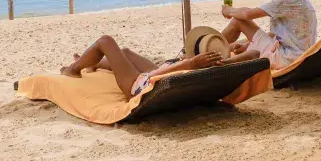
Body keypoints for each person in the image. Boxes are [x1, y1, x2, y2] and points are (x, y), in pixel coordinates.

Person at [221, 0, 317, 69]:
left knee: (238, 21)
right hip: (297, 56)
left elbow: (247, 15)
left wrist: (228, 10)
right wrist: (248, 45)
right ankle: (214, 48)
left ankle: (210, 49)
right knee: (241, 38)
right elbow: (276, 34)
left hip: (287, 59)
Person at [60, 35, 224, 99]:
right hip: (160, 72)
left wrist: (189, 63)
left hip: (141, 85)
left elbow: (154, 78)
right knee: (124, 52)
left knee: (105, 41)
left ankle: (73, 69)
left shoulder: (192, 65)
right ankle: (93, 63)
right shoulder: (210, 62)